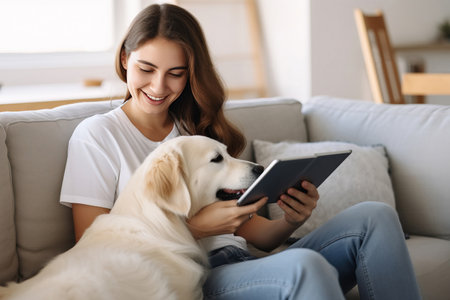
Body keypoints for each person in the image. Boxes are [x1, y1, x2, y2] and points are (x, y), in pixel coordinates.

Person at [60, 3, 421, 299]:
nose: (158, 85)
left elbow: (259, 236)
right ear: (125, 59)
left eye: (176, 73)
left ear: (190, 75)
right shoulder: (97, 136)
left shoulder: (196, 136)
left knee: (376, 217)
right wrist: (195, 229)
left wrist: (292, 219)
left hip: (245, 261)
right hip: (194, 276)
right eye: (146, 68)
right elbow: (96, 251)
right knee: (305, 266)